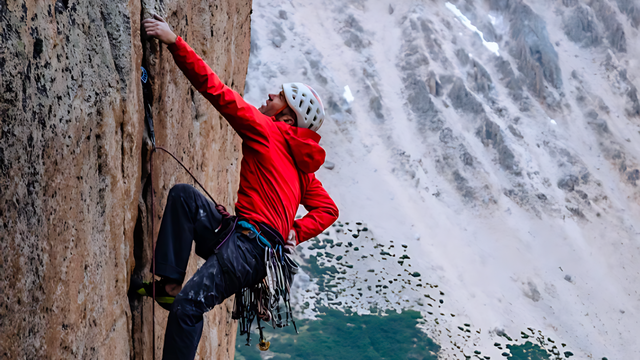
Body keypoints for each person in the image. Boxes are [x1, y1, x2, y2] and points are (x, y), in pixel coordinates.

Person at [137, 15, 339, 360]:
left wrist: (174, 42)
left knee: (189, 308)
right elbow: (328, 210)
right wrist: (295, 231)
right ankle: (168, 284)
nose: (271, 94)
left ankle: (177, 297)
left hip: (246, 250)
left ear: (286, 118)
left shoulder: (267, 130)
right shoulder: (302, 168)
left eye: (279, 98)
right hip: (250, 247)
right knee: (185, 199)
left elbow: (215, 90)